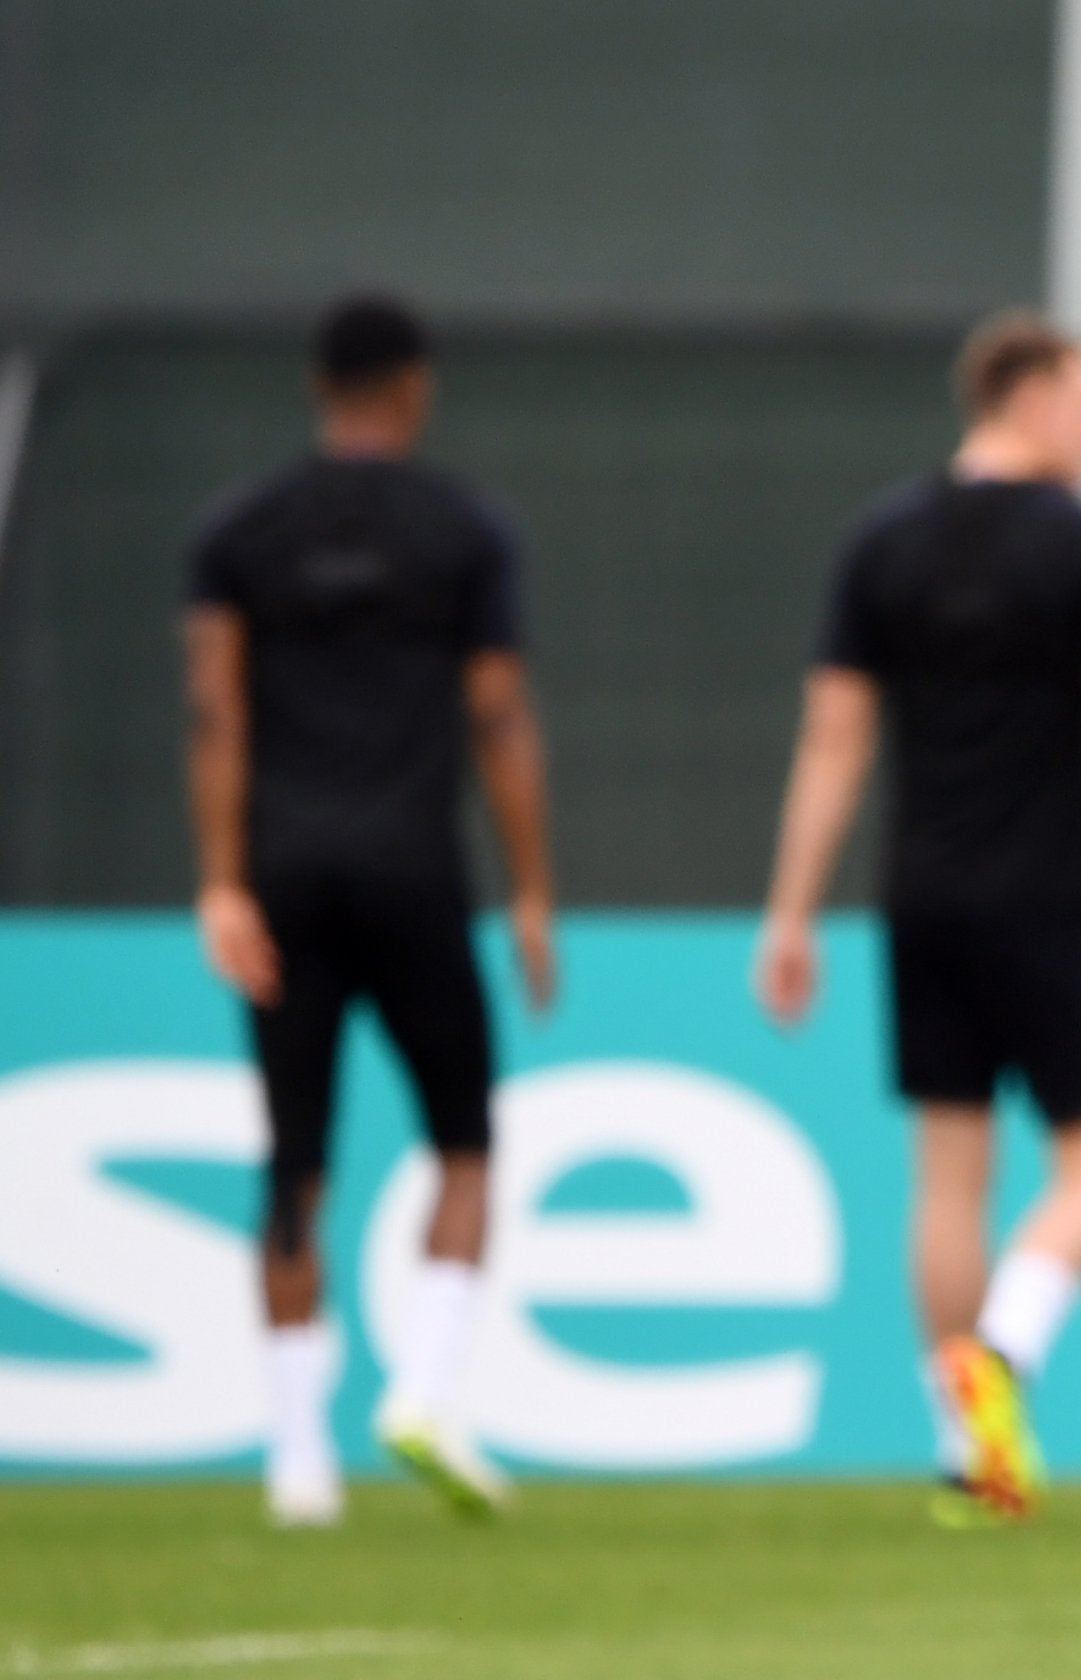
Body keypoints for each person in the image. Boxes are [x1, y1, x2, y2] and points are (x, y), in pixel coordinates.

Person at [756, 310, 1081, 1524]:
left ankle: (963, 1444)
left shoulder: (879, 542)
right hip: (1044, 898)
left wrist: (789, 913)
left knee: (949, 1173)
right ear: (1031, 393)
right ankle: (1001, 1352)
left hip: (921, 900)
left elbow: (834, 739)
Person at [185, 294, 556, 1527]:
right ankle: (426, 1390)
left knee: (295, 1162)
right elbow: (499, 716)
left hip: (283, 876)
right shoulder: (463, 531)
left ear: (318, 384)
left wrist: (223, 879)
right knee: (464, 1142)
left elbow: (215, 715)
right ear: (412, 386)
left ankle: (298, 1456)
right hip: (414, 873)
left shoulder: (241, 530)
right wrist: (534, 888)